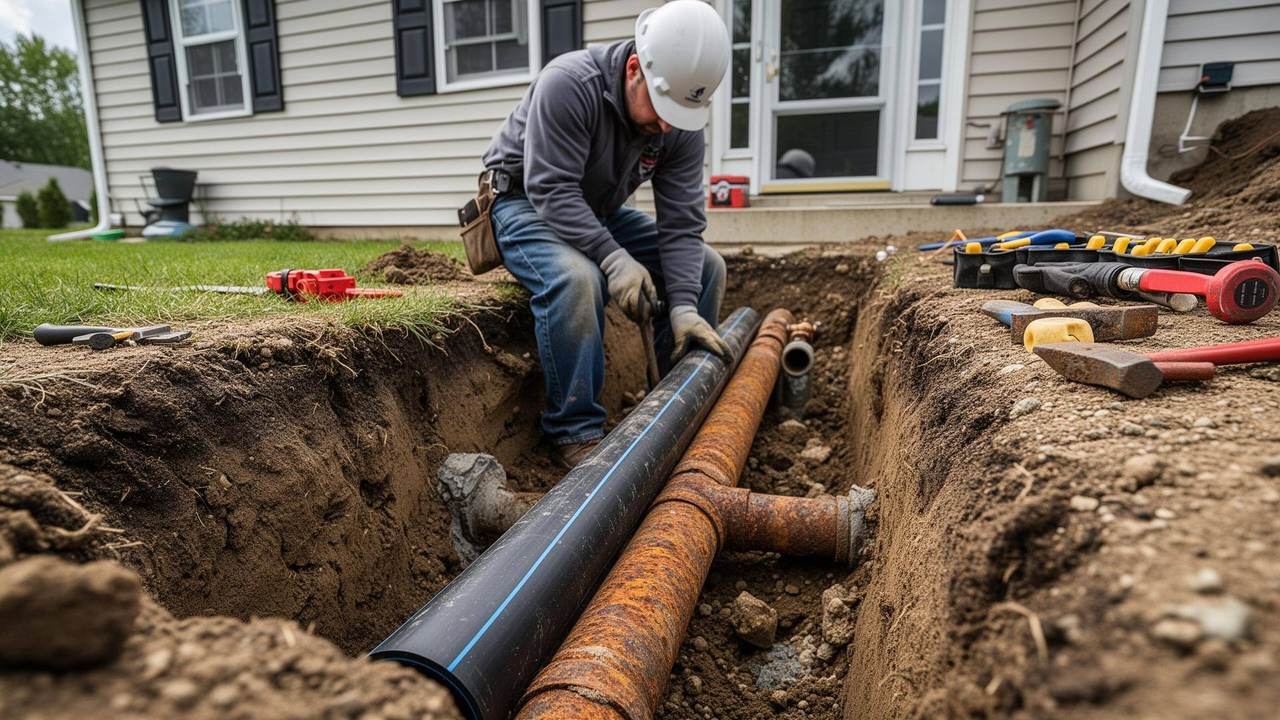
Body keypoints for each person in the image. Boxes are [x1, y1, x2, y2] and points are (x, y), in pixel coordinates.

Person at [481, 1, 733, 468]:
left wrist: (681, 304)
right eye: (661, 111)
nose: (666, 126)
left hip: (595, 209)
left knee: (706, 268)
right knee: (579, 280)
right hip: (524, 201)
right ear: (635, 68)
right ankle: (575, 431)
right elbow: (551, 188)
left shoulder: (677, 118)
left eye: (678, 114)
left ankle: (674, 405)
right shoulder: (570, 84)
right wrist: (613, 259)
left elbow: (681, 223)